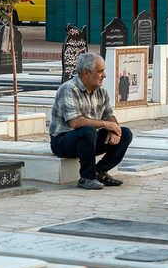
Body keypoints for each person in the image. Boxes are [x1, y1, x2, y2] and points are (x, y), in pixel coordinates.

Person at [49, 51, 133, 190]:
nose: (104, 75)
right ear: (86, 73)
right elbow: (75, 122)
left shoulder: (101, 91)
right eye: (100, 71)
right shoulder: (69, 89)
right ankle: (86, 177)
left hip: (89, 140)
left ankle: (100, 171)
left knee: (125, 133)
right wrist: (106, 124)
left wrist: (114, 130)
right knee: (88, 131)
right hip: (63, 141)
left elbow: (109, 115)